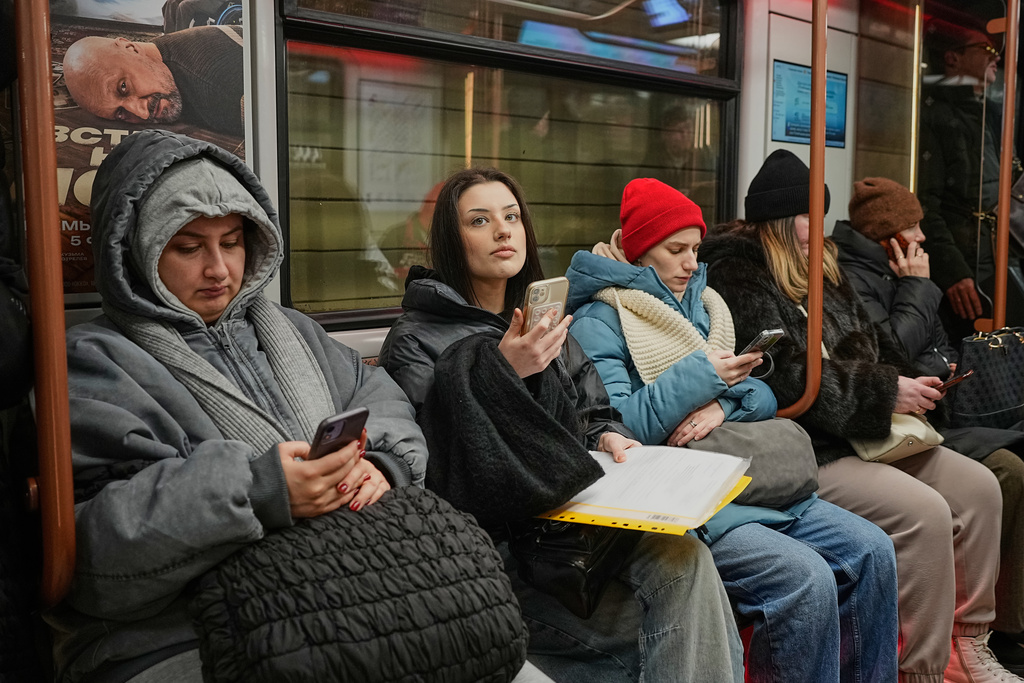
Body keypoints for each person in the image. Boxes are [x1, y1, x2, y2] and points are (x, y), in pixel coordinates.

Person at [43, 130, 544, 683]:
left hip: (343, 582)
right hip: (184, 626)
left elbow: (384, 404)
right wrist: (262, 491)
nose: (218, 270)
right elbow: (97, 546)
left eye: (232, 242)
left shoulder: (294, 331)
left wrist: (381, 465)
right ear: (137, 248)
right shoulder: (97, 361)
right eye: (188, 247)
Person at [378, 167, 745, 682]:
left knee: (686, 554)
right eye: (480, 221)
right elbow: (438, 463)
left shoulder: (541, 316)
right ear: (450, 239)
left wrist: (607, 435)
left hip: (570, 526)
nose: (503, 231)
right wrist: (503, 374)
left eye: (511, 217)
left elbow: (593, 410)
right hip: (503, 552)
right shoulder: (417, 339)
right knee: (679, 624)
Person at [699, 148, 1018, 683]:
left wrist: (904, 384)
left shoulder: (823, 266)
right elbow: (780, 373)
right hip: (809, 444)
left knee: (981, 488)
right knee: (926, 512)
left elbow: (870, 344)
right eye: (805, 216)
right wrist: (881, 392)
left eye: (818, 216)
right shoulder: (738, 274)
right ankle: (918, 668)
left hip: (868, 434)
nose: (815, 227)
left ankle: (968, 646)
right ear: (777, 220)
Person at [564, 177, 899, 683]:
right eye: (675, 250)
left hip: (738, 476)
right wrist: (705, 378)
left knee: (874, 549)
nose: (691, 263)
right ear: (636, 253)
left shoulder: (707, 305)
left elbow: (764, 393)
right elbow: (618, 424)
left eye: (695, 249)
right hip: (685, 498)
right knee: (803, 579)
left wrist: (722, 406)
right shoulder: (600, 319)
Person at [834, 176, 1024, 672]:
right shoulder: (855, 277)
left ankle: (984, 634)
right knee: (1001, 471)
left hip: (930, 409)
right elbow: (889, 352)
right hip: (882, 423)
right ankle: (954, 645)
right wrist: (917, 286)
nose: (922, 238)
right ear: (887, 235)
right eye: (913, 228)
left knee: (1003, 469)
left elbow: (936, 350)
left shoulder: (896, 273)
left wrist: (924, 344)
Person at [918, 22, 1024, 337]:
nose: (997, 57)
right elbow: (926, 202)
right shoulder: (933, 114)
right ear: (953, 58)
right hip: (968, 265)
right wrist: (953, 271)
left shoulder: (992, 114)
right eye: (987, 49)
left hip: (1002, 254)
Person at [62, 25, 244, 137]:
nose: (141, 113)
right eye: (120, 113)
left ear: (131, 48)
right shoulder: (159, 53)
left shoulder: (222, 92)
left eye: (123, 88)